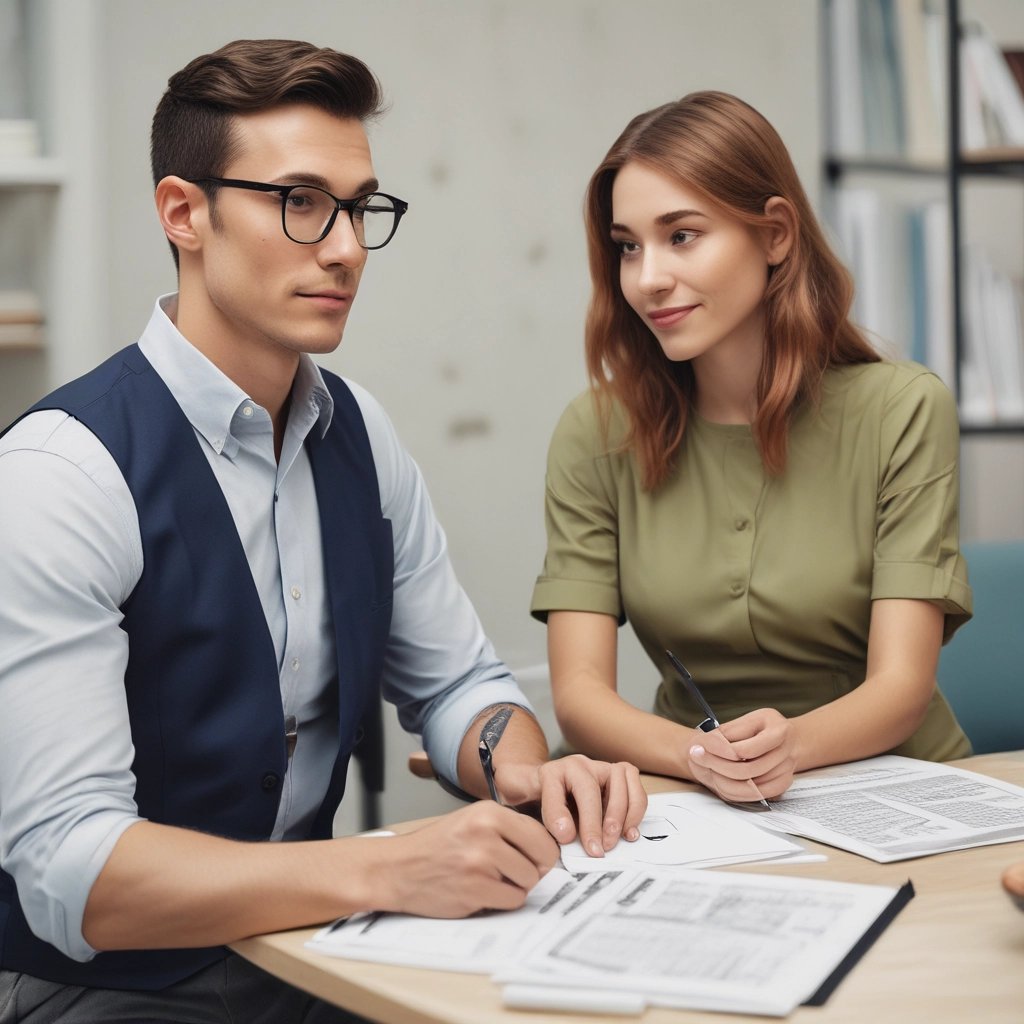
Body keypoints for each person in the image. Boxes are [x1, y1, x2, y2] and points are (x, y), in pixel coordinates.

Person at [0, 39, 646, 1023]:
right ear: (185, 213)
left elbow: (461, 686)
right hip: (100, 987)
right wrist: (389, 865)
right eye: (300, 201)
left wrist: (516, 765)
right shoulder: (61, 474)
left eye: (359, 208)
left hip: (312, 957)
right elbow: (77, 875)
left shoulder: (358, 435)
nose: (344, 246)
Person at [530, 90, 973, 808]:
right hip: (684, 791)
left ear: (775, 235)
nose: (649, 278)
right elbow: (580, 695)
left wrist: (786, 749)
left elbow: (900, 689)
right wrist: (698, 756)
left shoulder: (902, 409)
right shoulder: (596, 433)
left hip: (892, 786)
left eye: (682, 236)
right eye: (627, 246)